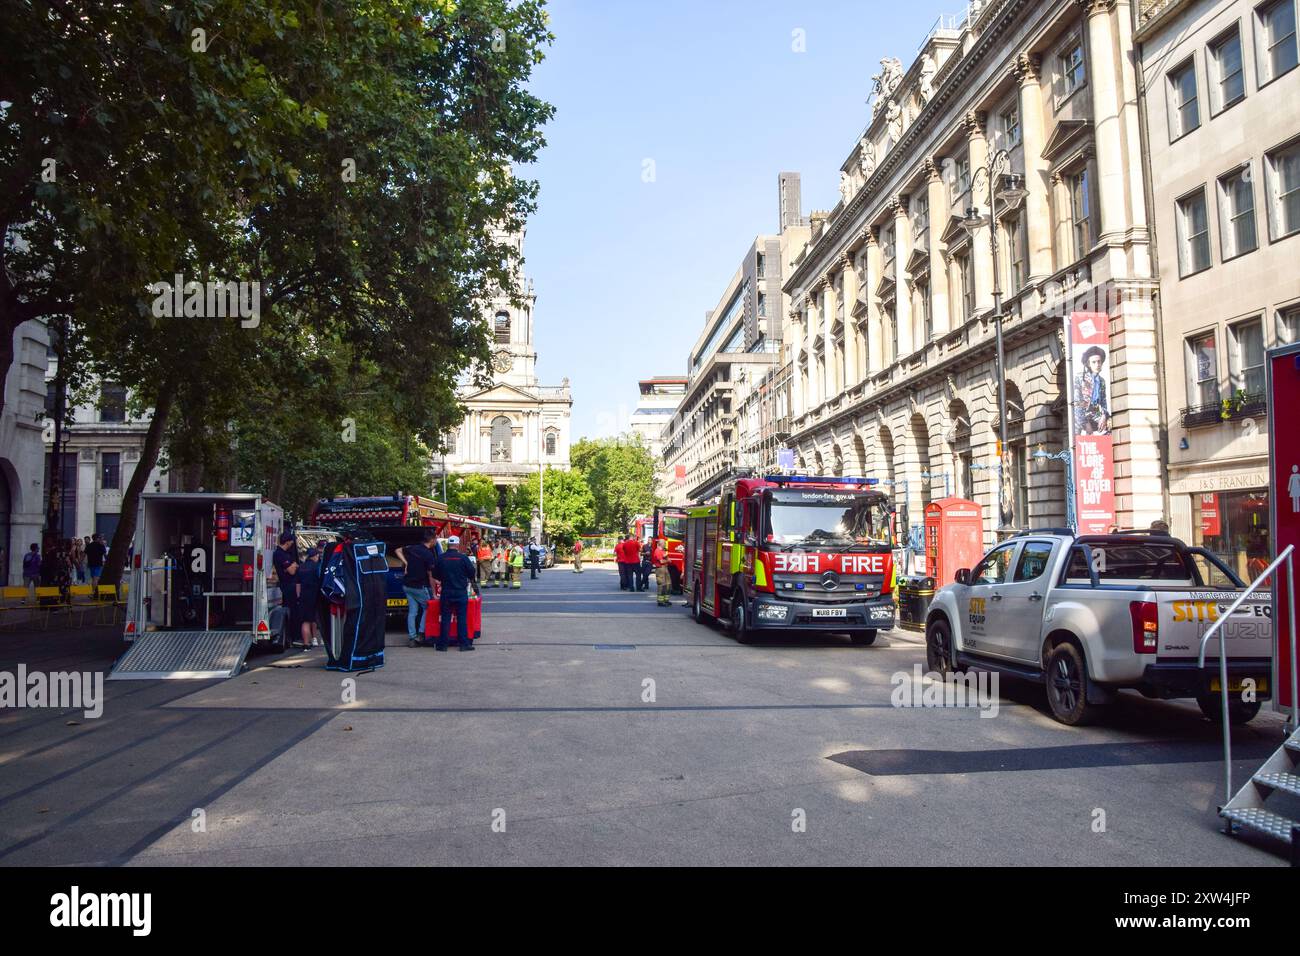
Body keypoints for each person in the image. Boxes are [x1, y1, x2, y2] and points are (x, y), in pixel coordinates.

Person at [432, 534, 480, 651]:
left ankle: (443, 645)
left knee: (445, 618)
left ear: (448, 544)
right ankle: (463, 644)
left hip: (446, 592)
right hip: (460, 592)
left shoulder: (441, 558)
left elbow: (435, 575)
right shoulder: (463, 558)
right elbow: (471, 572)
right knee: (462, 618)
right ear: (457, 545)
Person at [395, 529, 439, 648]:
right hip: (419, 586)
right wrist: (434, 593)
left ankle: (412, 638)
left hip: (407, 585)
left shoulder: (411, 548)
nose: (436, 541)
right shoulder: (428, 555)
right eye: (436, 539)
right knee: (427, 608)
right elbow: (431, 576)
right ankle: (421, 634)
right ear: (431, 540)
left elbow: (397, 550)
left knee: (412, 612)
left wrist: (406, 563)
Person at [1072, 346, 1111, 435]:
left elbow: (1103, 402)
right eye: (1094, 362)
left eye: (1099, 362)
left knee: (1110, 426)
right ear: (1089, 364)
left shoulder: (1102, 381)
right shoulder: (1080, 378)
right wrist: (1085, 423)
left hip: (1096, 412)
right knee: (1083, 437)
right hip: (1082, 413)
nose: (1097, 365)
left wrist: (1104, 416)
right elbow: (1077, 403)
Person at [272, 530, 300, 639]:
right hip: (288, 586)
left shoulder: (285, 554)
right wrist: (294, 565)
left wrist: (293, 565)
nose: (292, 544)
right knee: (292, 611)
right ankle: (293, 636)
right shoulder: (280, 554)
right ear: (287, 542)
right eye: (291, 542)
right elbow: (292, 571)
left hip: (289, 585)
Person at [297, 547, 323, 648]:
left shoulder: (301, 567)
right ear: (315, 556)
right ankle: (315, 639)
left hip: (304, 596)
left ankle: (306, 644)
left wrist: (299, 597)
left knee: (305, 621)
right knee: (315, 619)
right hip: (315, 596)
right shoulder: (317, 567)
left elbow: (298, 584)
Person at [652, 539, 671, 607]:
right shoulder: (657, 551)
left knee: (668, 585)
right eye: (664, 543)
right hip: (660, 569)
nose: (665, 544)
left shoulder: (663, 551)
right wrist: (667, 560)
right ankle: (660, 601)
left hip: (665, 568)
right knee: (661, 585)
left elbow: (667, 560)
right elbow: (661, 562)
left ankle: (666, 600)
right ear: (660, 544)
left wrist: (667, 559)